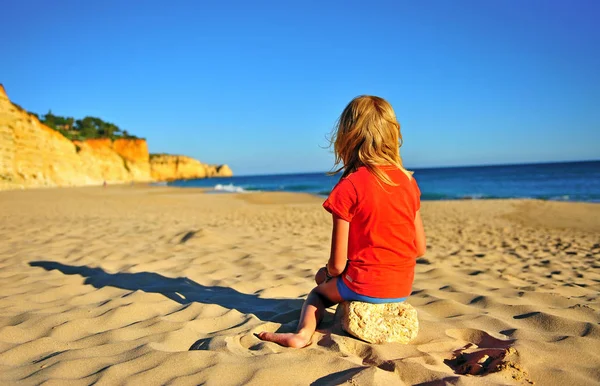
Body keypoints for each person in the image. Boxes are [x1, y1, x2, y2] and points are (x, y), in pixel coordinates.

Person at [257, 95, 426, 348]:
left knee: (317, 294)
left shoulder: (350, 186)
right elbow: (419, 248)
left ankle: (302, 335)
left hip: (363, 286)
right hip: (402, 287)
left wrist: (325, 274)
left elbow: (337, 265)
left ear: (347, 136)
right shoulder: (408, 182)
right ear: (393, 135)